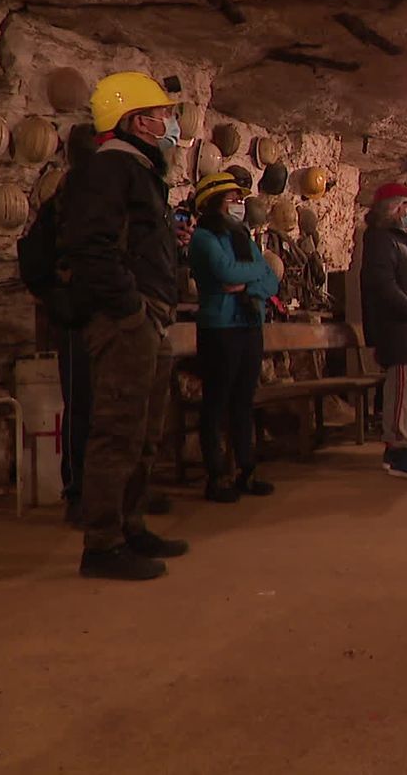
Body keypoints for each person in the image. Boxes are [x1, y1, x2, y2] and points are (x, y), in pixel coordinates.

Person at [60, 71, 189, 580]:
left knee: (145, 432)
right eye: (161, 114)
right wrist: (131, 309)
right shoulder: (110, 169)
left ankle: (130, 525)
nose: (168, 123)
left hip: (147, 318)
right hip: (127, 322)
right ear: (136, 120)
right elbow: (91, 249)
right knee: (117, 432)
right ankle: (104, 544)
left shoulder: (136, 170)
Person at [188, 171, 279, 503]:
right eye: (233, 200)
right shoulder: (203, 238)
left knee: (244, 400)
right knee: (217, 402)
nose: (239, 206)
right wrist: (253, 274)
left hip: (248, 323)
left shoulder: (241, 236)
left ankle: (247, 470)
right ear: (215, 204)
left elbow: (271, 280)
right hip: (220, 329)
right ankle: (217, 476)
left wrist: (248, 281)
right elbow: (225, 272)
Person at [361, 182, 407, 479]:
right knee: (403, 388)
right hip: (399, 329)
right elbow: (381, 283)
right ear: (391, 208)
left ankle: (404, 441)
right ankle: (397, 448)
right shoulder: (381, 240)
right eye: (405, 205)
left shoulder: (399, 241)